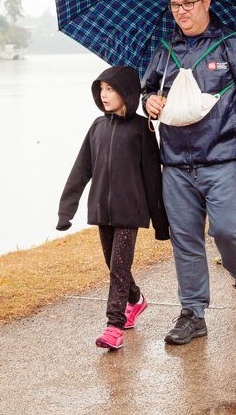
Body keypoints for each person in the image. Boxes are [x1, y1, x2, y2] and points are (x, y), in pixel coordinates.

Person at [142, 0, 236, 345]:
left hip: (225, 160)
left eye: (188, 3)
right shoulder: (165, 50)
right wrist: (148, 102)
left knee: (229, 231)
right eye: (174, 5)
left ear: (206, 2)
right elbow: (148, 89)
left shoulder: (233, 45)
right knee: (185, 240)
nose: (181, 11)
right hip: (176, 163)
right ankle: (193, 313)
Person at [57, 66, 169, 351]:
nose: (104, 95)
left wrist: (161, 224)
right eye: (101, 89)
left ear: (127, 93)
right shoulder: (97, 127)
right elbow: (80, 170)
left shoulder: (142, 129)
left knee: (119, 267)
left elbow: (153, 179)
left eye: (110, 89)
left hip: (130, 211)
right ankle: (136, 299)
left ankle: (114, 326)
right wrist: (65, 211)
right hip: (102, 210)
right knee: (114, 265)